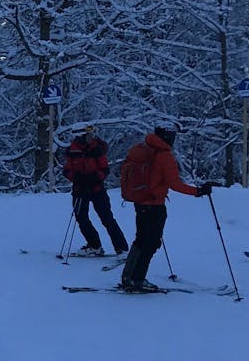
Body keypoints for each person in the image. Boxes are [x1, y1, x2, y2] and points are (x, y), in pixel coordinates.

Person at [118, 127, 213, 293]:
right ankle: (138, 279)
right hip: (154, 205)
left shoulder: (143, 149)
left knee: (140, 239)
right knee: (151, 243)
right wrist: (197, 192)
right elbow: (174, 183)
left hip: (139, 202)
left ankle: (128, 276)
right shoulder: (164, 156)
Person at [63, 124, 128, 257]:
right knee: (81, 218)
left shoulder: (97, 149)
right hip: (80, 190)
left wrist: (94, 177)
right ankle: (94, 245)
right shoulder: (72, 151)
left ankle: (122, 248)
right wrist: (77, 177)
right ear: (80, 136)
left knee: (107, 218)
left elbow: (105, 169)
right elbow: (67, 170)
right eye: (88, 135)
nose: (91, 137)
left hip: (97, 189)